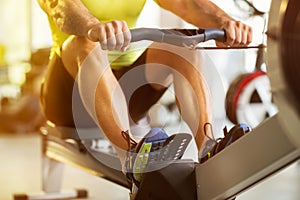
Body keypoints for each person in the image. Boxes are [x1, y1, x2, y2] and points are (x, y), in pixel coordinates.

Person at [37, 0, 252, 195]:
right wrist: (92, 26)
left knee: (182, 45)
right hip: (67, 96)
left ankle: (208, 149)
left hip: (125, 92)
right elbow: (61, 8)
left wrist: (225, 22)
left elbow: (186, 4)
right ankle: (133, 163)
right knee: (85, 43)